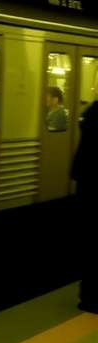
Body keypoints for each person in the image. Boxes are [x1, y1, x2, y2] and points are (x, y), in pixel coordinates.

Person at [70, 99, 98, 313]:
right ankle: (91, 297)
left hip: (87, 183)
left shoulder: (92, 112)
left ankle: (88, 295)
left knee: (90, 242)